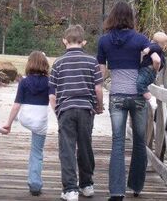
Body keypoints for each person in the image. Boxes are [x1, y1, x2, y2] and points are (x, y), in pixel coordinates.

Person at [97, 1, 150, 201]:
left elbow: (101, 73)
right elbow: (154, 58)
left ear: (112, 17)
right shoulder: (140, 39)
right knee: (139, 140)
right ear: (130, 17)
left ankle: (117, 191)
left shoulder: (104, 41)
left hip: (117, 96)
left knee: (117, 142)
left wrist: (98, 97)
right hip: (137, 97)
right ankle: (136, 186)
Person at [49, 25, 104, 201]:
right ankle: (87, 184)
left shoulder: (58, 63)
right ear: (84, 42)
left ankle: (70, 189)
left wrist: (58, 111)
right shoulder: (92, 62)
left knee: (67, 149)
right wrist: (99, 106)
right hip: (86, 109)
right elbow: (98, 89)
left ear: (64, 41)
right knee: (85, 147)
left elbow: (52, 94)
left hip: (66, 109)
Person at [3, 51, 53, 197]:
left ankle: (18, 119)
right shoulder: (49, 82)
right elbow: (52, 100)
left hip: (25, 118)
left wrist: (9, 123)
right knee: (37, 152)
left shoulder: (24, 81)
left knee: (20, 114)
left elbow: (16, 104)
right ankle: (35, 184)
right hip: (40, 122)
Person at [137, 32, 167, 100]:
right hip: (149, 71)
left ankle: (150, 98)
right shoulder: (159, 50)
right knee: (141, 84)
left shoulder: (155, 47)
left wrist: (148, 49)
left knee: (139, 84)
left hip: (148, 70)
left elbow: (154, 48)